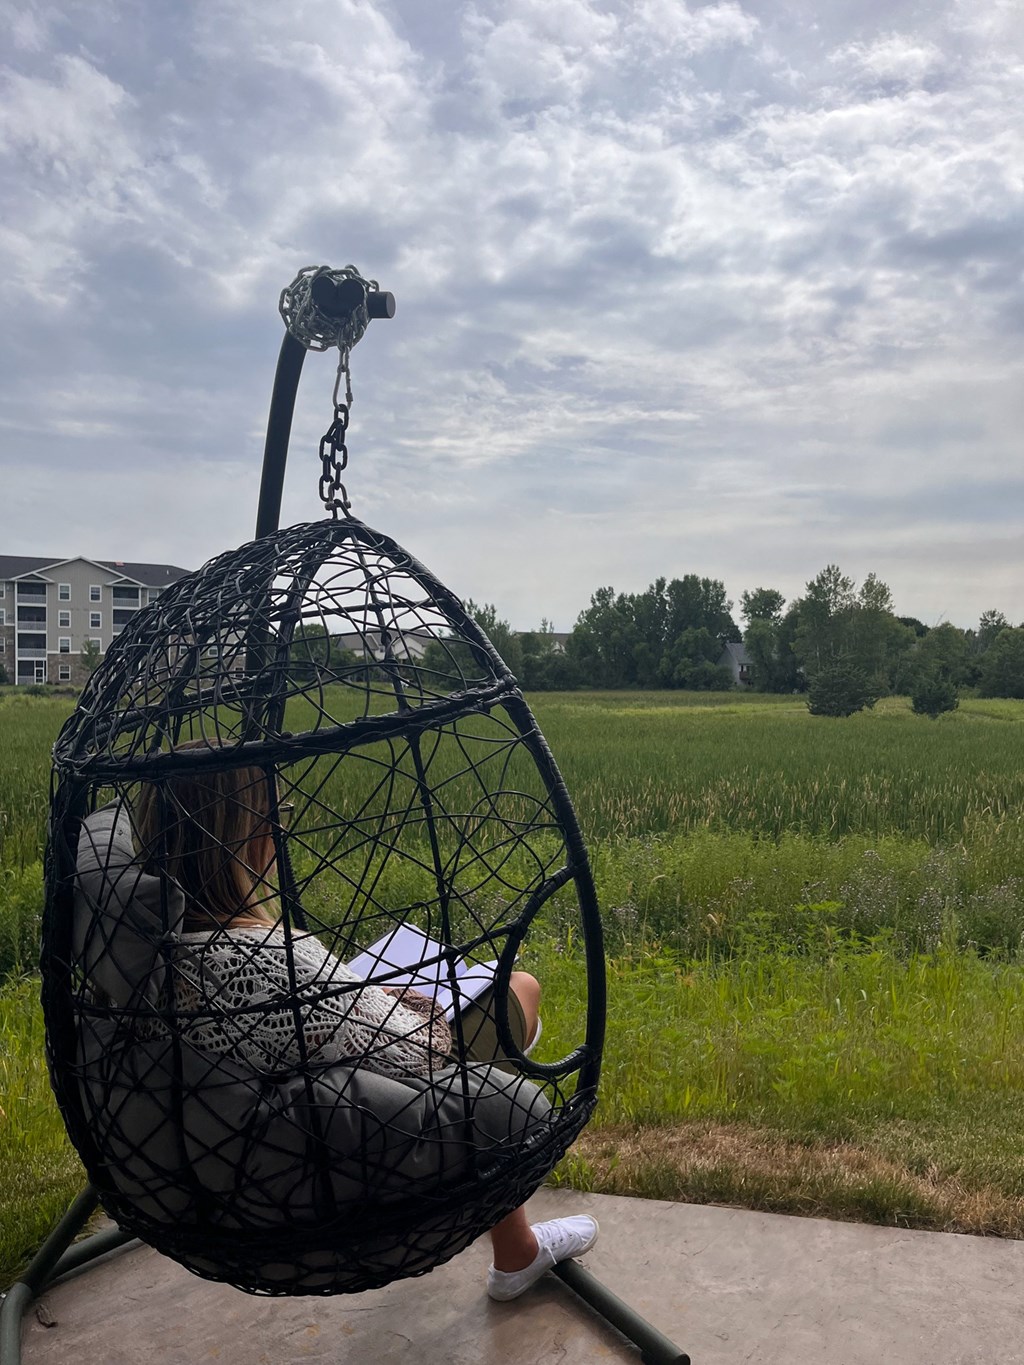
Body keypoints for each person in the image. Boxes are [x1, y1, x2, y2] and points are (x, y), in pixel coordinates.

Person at [132, 753, 598, 1300]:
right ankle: (516, 1252)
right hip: (348, 1154)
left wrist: (362, 1000)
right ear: (241, 832)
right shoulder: (267, 957)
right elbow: (419, 1054)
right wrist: (408, 1003)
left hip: (232, 1174)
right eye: (270, 814)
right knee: (520, 988)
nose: (279, 828)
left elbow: (309, 1027)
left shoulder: (146, 957)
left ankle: (515, 1247)